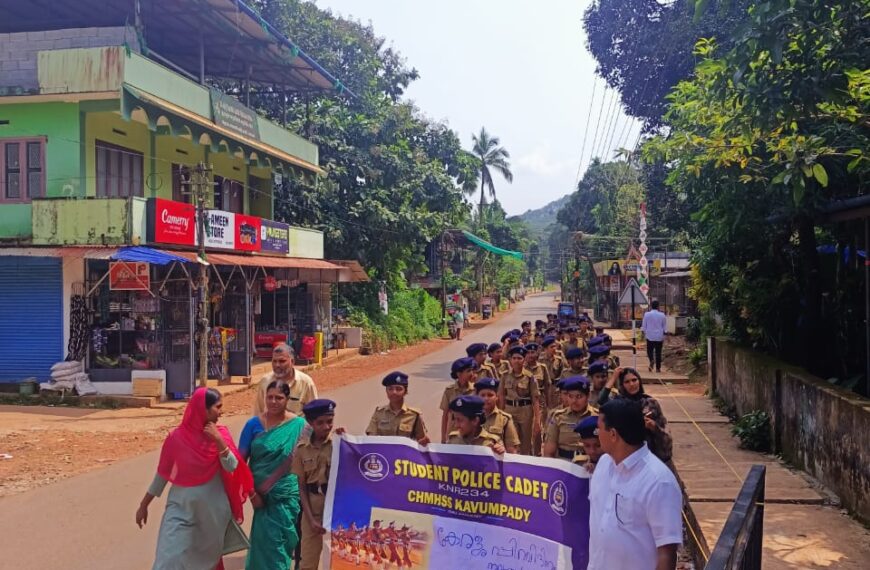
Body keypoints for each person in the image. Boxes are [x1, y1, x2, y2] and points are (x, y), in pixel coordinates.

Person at [136, 388, 254, 570]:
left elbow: (231, 466)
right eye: (218, 407)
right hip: (180, 509)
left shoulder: (221, 435)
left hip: (212, 515)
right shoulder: (176, 438)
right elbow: (163, 474)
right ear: (203, 410)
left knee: (203, 564)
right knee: (168, 560)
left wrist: (218, 441)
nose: (221, 411)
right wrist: (144, 504)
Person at [589, 399, 682, 570]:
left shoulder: (659, 482)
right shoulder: (603, 464)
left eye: (599, 429)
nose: (596, 434)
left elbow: (667, 553)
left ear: (613, 434)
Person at [241, 380, 311, 570]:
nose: (273, 402)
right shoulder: (253, 425)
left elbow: (315, 450)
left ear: (287, 399)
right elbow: (240, 464)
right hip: (261, 497)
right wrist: (252, 494)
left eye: (279, 398)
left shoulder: (299, 425)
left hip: (287, 497)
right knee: (263, 545)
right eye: (269, 397)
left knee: (280, 547)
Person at [293, 399, 337, 570]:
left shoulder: (340, 444)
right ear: (310, 423)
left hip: (335, 510)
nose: (326, 427)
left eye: (330, 421)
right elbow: (302, 487)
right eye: (320, 423)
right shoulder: (302, 449)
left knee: (339, 560)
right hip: (313, 509)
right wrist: (310, 519)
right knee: (308, 562)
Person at [599, 367, 673, 462]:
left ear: (639, 381)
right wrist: (614, 377)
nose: (632, 384)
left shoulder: (650, 403)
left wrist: (654, 426)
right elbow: (602, 400)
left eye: (634, 380)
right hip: (627, 454)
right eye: (627, 382)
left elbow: (665, 431)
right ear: (622, 385)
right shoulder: (619, 404)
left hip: (651, 453)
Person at [498, 346, 541, 455]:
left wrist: (537, 420)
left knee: (525, 442)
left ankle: (525, 464)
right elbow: (501, 395)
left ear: (524, 359)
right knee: (511, 441)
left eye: (519, 358)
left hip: (525, 412)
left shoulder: (530, 377)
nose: (517, 361)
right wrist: (500, 413)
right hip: (509, 411)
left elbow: (535, 399)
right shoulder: (505, 376)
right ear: (510, 360)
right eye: (514, 358)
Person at [254, 343, 318, 416]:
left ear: (292, 362)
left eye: (282, 361)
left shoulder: (306, 382)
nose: (277, 365)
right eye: (274, 361)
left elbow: (315, 413)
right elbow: (259, 411)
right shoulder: (265, 381)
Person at [366, 372, 429, 444]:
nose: (394, 392)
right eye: (390, 389)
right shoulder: (378, 413)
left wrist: (424, 442)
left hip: (405, 455)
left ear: (405, 392)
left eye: (399, 389)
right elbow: (370, 440)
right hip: (384, 454)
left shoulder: (414, 415)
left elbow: (422, 441)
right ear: (386, 391)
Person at [543, 376, 595, 463]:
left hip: (589, 464)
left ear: (588, 396)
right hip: (564, 464)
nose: (574, 401)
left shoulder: (596, 416)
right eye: (570, 396)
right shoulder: (558, 417)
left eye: (579, 396)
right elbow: (549, 452)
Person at [475, 377, 520, 453]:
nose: (486, 398)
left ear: (496, 397)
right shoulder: (470, 417)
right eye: (482, 395)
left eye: (490, 395)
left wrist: (503, 450)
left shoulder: (505, 419)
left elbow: (512, 450)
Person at [439, 357, 476, 443]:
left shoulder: (475, 389)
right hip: (453, 431)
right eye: (468, 371)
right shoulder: (449, 391)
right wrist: (443, 438)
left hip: (471, 432)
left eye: (471, 370)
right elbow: (445, 416)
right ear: (459, 374)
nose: (471, 373)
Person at [642, 300, 667, 373]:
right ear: (658, 306)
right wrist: (665, 335)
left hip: (650, 336)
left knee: (649, 350)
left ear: (651, 306)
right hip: (659, 336)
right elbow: (664, 327)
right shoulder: (662, 315)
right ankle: (658, 368)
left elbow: (644, 325)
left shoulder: (647, 314)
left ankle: (651, 360)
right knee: (658, 352)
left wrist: (644, 333)